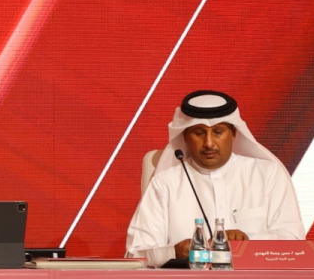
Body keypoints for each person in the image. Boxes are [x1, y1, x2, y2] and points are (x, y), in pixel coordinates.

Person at [126, 90, 304, 266]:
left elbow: (294, 242)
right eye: (199, 133)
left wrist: (248, 242)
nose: (209, 143)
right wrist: (174, 252)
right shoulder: (166, 183)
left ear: (234, 133)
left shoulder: (267, 174)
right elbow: (134, 255)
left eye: (218, 132)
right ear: (186, 137)